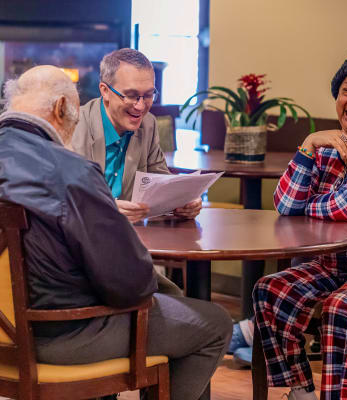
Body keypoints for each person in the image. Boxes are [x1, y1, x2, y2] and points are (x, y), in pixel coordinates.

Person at [0, 65, 232, 400]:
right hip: (61, 335)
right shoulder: (72, 173)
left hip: (6, 333)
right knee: (213, 323)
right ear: (62, 108)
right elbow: (130, 285)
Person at [252, 49, 347, 400]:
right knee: (270, 291)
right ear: (337, 96)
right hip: (334, 266)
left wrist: (309, 206)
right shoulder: (326, 145)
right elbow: (285, 205)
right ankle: (300, 391)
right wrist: (307, 145)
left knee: (341, 307)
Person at [71, 47, 201, 295]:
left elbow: (161, 180)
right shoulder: (75, 125)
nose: (141, 106)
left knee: (174, 297)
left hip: (126, 248)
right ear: (105, 91)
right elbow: (62, 197)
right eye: (131, 96)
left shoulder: (148, 125)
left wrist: (182, 201)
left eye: (148, 95)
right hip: (80, 254)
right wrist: (106, 207)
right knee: (167, 301)